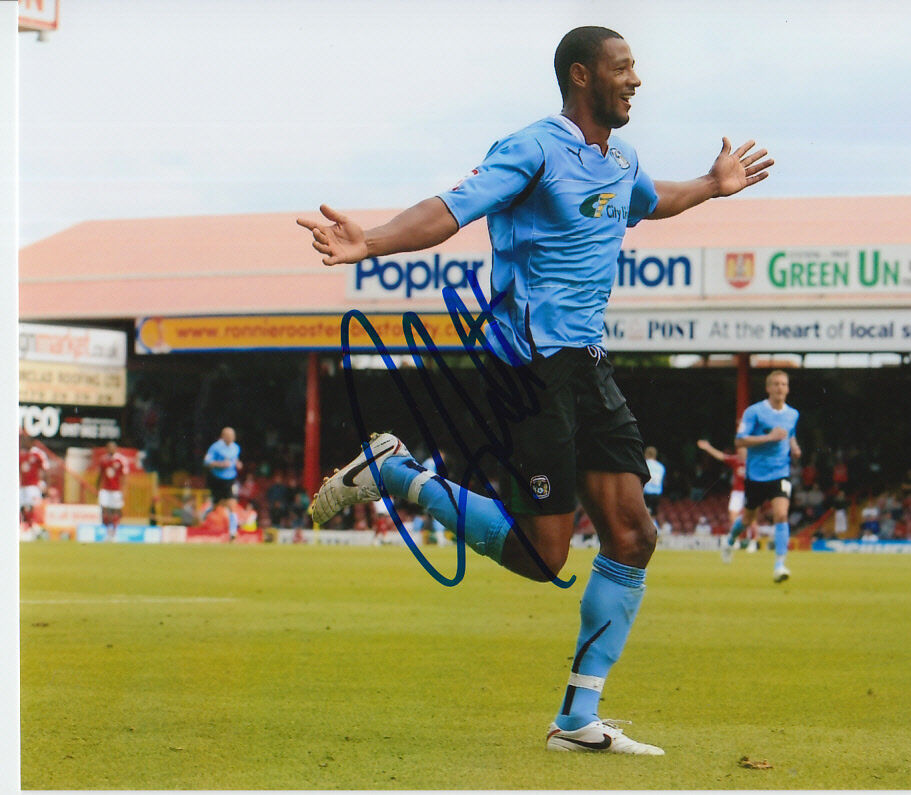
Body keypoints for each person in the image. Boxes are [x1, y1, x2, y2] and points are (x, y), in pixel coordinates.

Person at [298, 25, 771, 755]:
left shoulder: (621, 158)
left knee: (634, 535)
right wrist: (373, 241)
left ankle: (578, 718)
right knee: (544, 553)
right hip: (525, 364)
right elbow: (452, 207)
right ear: (582, 76)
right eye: (623, 68)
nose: (636, 79)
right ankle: (395, 474)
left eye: (636, 68)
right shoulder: (532, 147)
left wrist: (712, 185)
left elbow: (652, 199)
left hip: (587, 362)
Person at [734, 370, 801, 583]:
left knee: (781, 515)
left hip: (781, 472)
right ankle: (730, 539)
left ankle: (779, 565)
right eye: (776, 384)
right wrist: (768, 437)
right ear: (768, 388)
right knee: (747, 519)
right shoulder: (754, 412)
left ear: (788, 388)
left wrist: (795, 447)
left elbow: (790, 435)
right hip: (756, 474)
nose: (780, 387)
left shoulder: (793, 414)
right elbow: (740, 441)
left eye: (783, 384)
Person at [696, 438, 754, 562]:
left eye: (744, 450)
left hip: (750, 491)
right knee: (733, 515)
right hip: (737, 492)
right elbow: (721, 456)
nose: (741, 453)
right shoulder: (736, 460)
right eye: (740, 450)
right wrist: (708, 448)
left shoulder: (753, 462)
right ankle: (736, 541)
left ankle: (752, 541)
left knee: (751, 517)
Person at [203, 427, 242, 541]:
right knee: (217, 505)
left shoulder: (236, 448)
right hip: (217, 479)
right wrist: (220, 464)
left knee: (232, 505)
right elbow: (207, 462)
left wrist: (238, 463)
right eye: (229, 436)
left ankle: (233, 532)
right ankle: (206, 512)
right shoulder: (215, 447)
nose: (231, 438)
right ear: (223, 436)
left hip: (230, 479)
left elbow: (235, 460)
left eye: (233, 436)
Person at [95, 442, 130, 541]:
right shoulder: (103, 460)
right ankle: (107, 532)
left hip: (116, 491)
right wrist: (97, 489)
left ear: (116, 448)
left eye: (112, 447)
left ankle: (114, 532)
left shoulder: (121, 460)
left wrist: (124, 491)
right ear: (106, 448)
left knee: (116, 511)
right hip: (105, 490)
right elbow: (100, 476)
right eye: (109, 447)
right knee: (105, 511)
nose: (111, 449)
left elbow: (125, 477)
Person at [19, 434, 49, 532]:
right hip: (22, 485)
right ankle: (26, 525)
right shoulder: (20, 453)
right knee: (22, 506)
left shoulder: (38, 454)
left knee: (30, 506)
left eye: (26, 441)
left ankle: (32, 526)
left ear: (31, 442)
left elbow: (45, 469)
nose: (24, 443)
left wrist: (44, 484)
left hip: (33, 485)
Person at [642, 447, 665, 519]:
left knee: (644, 513)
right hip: (657, 494)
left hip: (645, 493)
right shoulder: (661, 467)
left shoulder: (644, 464)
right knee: (654, 513)